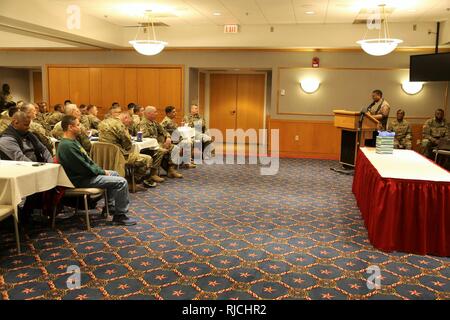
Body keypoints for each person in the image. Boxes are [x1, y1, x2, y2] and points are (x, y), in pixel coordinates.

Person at [57, 115, 136, 226]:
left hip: (83, 175)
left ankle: (110, 207)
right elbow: (83, 166)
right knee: (122, 182)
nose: (81, 127)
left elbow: (87, 162)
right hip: (79, 180)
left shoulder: (72, 142)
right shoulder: (67, 145)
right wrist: (102, 172)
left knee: (115, 173)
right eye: (78, 125)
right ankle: (120, 216)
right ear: (70, 127)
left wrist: (101, 170)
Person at [98, 106, 156, 188]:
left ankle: (126, 179)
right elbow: (128, 146)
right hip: (119, 156)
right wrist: (126, 131)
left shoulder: (102, 122)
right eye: (129, 122)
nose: (129, 124)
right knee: (147, 159)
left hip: (104, 156)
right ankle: (132, 182)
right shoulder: (119, 125)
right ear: (125, 117)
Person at [140, 106, 183, 180]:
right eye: (155, 112)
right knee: (160, 151)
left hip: (157, 144)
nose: (157, 114)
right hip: (148, 146)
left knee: (175, 148)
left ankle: (171, 170)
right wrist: (161, 143)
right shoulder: (143, 123)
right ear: (148, 113)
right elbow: (146, 138)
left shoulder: (154, 122)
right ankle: (153, 174)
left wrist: (168, 138)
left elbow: (163, 130)